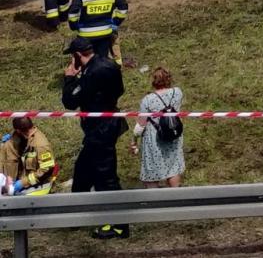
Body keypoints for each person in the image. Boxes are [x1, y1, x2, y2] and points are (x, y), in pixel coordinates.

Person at [62, 34, 129, 238]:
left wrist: (69, 78)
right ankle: (77, 216)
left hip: (100, 132)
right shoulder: (108, 64)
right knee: (82, 172)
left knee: (106, 178)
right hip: (103, 127)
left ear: (77, 55)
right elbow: (120, 90)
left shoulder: (92, 73)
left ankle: (119, 226)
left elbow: (70, 102)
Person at [131, 67, 184, 188]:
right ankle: (176, 198)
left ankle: (154, 199)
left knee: (151, 172)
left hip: (155, 139)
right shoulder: (177, 92)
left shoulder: (148, 100)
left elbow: (141, 124)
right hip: (173, 135)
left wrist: (134, 140)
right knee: (173, 168)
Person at [0, 117, 59, 195]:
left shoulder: (41, 146)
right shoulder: (22, 137)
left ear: (18, 130)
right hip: (18, 182)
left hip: (39, 184)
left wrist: (23, 182)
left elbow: (45, 170)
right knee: (7, 146)